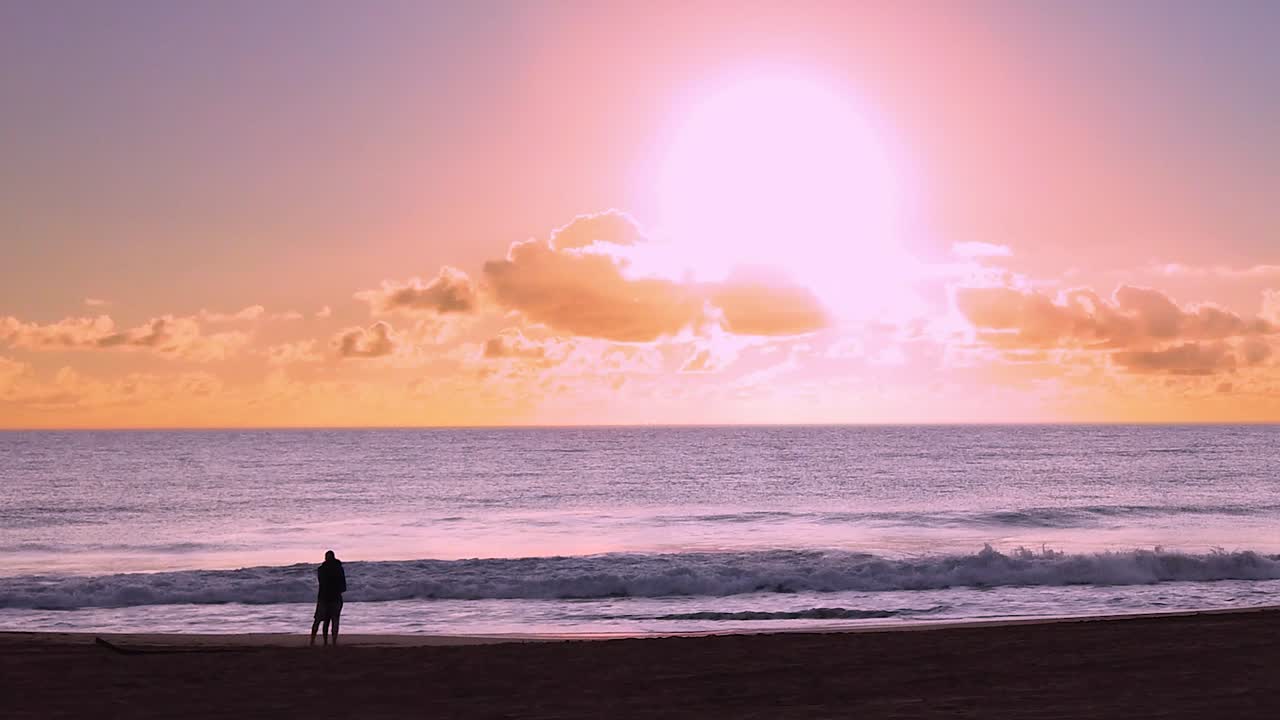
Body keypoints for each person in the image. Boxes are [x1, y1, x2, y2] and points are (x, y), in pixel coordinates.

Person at [310, 550, 347, 646]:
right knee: (335, 620)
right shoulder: (339, 569)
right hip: (335, 598)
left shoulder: (321, 569)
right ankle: (333, 642)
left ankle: (316, 641)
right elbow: (343, 586)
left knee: (321, 620)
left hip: (324, 598)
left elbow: (322, 583)